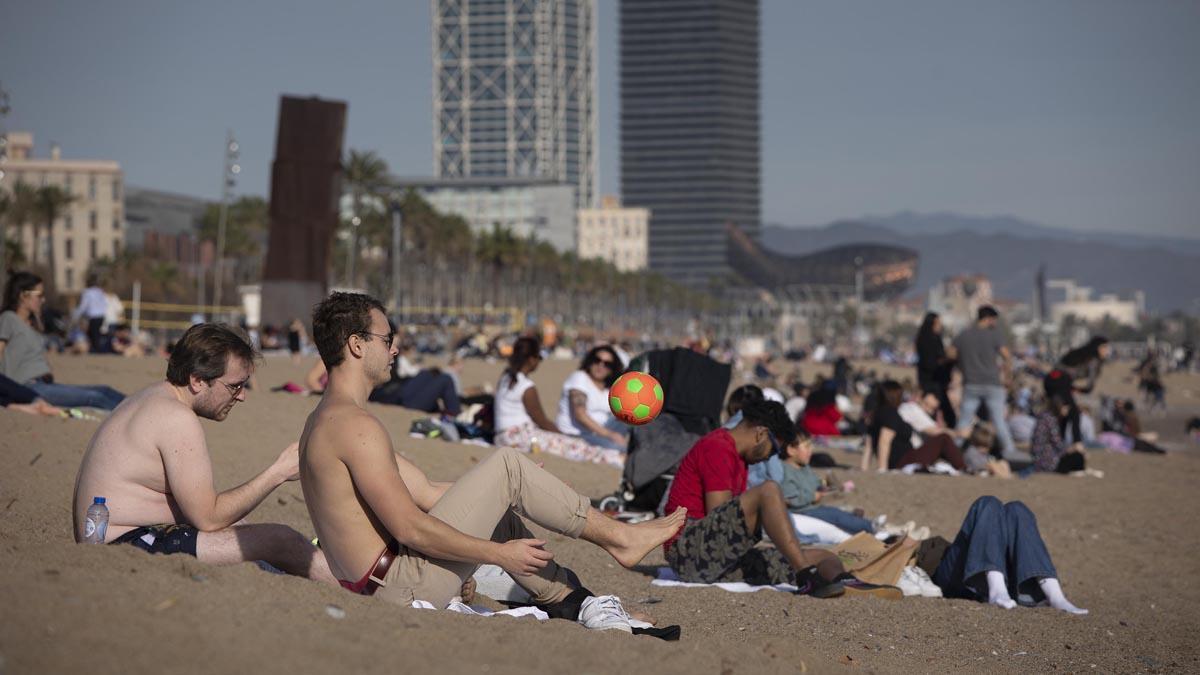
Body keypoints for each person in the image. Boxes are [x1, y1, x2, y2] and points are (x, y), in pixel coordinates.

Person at [298, 292, 687, 631]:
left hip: (377, 583)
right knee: (507, 466)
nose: (395, 349)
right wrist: (498, 554)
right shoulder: (357, 427)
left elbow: (430, 493)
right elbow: (412, 529)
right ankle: (621, 539)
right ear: (356, 345)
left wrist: (525, 492)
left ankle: (576, 600)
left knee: (505, 484)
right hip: (399, 586)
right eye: (387, 339)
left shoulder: (329, 419)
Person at [70, 323, 335, 583]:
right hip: (125, 546)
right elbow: (208, 518)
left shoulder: (152, 397)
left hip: (107, 535)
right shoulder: (176, 418)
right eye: (235, 386)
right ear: (197, 380)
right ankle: (351, 585)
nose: (242, 396)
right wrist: (278, 472)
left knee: (242, 525)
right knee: (279, 539)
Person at [663, 400, 900, 599]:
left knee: (825, 556)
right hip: (688, 553)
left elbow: (729, 527)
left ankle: (844, 583)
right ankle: (806, 576)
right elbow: (719, 515)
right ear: (761, 434)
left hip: (713, 557)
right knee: (769, 490)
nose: (770, 458)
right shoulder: (717, 448)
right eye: (774, 450)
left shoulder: (740, 458)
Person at [932, 496, 1087, 614]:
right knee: (988, 503)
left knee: (1016, 509)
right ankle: (997, 590)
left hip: (1003, 581)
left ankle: (1055, 596)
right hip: (955, 579)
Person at [0, 272, 125, 410]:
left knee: (104, 390)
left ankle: (140, 406)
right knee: (95, 396)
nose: (43, 300)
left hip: (44, 384)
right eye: (39, 295)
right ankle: (132, 416)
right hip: (26, 388)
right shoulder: (8, 319)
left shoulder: (31, 325)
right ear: (23, 296)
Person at [493, 336, 623, 467]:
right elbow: (542, 421)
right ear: (532, 360)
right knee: (577, 448)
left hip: (503, 437)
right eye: (539, 358)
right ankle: (619, 459)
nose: (539, 362)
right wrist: (562, 435)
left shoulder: (506, 377)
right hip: (519, 438)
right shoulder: (526, 387)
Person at [953, 306, 1019, 461]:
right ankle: (1010, 452)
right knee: (999, 421)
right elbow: (1007, 356)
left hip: (971, 384)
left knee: (964, 420)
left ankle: (954, 451)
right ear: (988, 318)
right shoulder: (994, 335)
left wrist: (963, 364)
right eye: (994, 319)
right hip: (992, 384)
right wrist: (1008, 377)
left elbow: (951, 353)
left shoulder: (964, 335)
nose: (995, 323)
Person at [778, 430, 875, 535]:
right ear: (791, 450)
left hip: (812, 508)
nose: (811, 450)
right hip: (801, 512)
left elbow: (815, 481)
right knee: (836, 516)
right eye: (807, 447)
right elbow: (791, 498)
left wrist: (824, 485)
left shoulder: (804, 467)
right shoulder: (784, 471)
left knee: (836, 512)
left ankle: (858, 520)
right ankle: (871, 527)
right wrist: (812, 496)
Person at [866, 381, 965, 472]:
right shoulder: (900, 411)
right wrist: (882, 469)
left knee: (943, 441)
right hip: (903, 461)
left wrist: (864, 467)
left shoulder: (881, 413)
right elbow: (884, 441)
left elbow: (869, 443)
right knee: (944, 438)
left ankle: (962, 466)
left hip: (904, 458)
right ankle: (963, 468)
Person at [555, 345, 628, 451]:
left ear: (612, 369)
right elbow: (580, 415)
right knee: (618, 448)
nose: (601, 365)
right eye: (597, 360)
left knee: (632, 417)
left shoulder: (608, 388)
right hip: (577, 434)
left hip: (600, 431)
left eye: (607, 364)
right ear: (590, 361)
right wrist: (610, 435)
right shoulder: (579, 378)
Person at [1043, 336, 1109, 445]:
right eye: (1105, 347)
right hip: (1061, 380)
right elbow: (1089, 386)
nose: (1107, 351)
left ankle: (1059, 442)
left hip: (1050, 380)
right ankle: (1077, 443)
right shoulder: (1093, 360)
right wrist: (1079, 389)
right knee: (1074, 414)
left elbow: (1059, 369)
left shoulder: (1080, 354)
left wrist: (1072, 388)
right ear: (1097, 348)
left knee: (1064, 414)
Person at [914, 312, 957, 427]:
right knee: (933, 408)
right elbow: (930, 361)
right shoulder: (928, 339)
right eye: (938, 323)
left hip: (935, 379)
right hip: (932, 380)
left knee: (940, 409)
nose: (940, 326)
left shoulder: (930, 337)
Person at [1030, 394, 1086, 473]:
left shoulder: (1045, 416)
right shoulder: (1050, 420)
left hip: (1039, 460)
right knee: (1078, 457)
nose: (1067, 410)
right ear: (1060, 406)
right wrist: (1074, 448)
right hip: (1047, 462)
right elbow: (1059, 446)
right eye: (1066, 408)